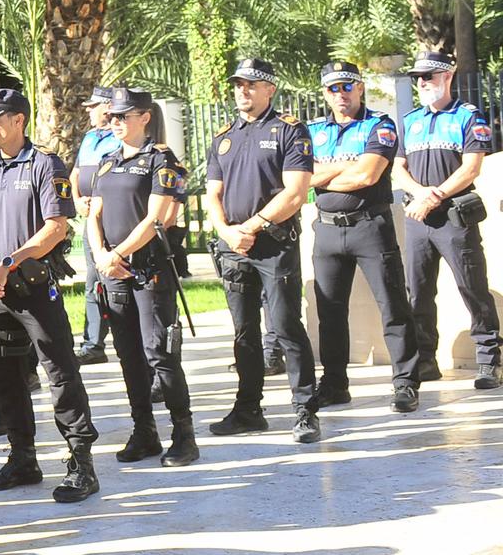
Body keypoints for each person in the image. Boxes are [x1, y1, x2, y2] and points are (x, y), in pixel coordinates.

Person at [0, 86, 100, 501]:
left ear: (18, 120)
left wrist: (11, 261)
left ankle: (81, 462)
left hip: (33, 289)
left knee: (59, 373)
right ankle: (22, 457)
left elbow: (55, 227)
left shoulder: (44, 164)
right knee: (6, 377)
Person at [206, 56, 318, 442]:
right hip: (234, 247)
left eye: (251, 85)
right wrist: (226, 231)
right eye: (238, 85)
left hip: (273, 244)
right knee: (243, 332)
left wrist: (251, 227)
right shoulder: (223, 138)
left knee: (286, 325)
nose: (243, 91)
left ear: (270, 89)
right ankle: (248, 409)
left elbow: (296, 192)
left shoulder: (289, 131)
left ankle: (305, 409)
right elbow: (212, 194)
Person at [86, 88, 199, 467]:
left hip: (147, 269)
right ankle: (144, 431)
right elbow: (93, 214)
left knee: (160, 354)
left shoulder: (161, 160)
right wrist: (102, 254)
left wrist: (119, 254)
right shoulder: (107, 162)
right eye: (112, 117)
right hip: (113, 271)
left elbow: (158, 218)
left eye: (123, 116)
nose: (115, 123)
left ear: (144, 116)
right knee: (129, 355)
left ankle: (183, 434)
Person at [306, 60, 422, 414]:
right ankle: (335, 385)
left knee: (392, 306)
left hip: (369, 226)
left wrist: (325, 174)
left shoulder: (380, 125)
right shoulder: (311, 131)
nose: (340, 94)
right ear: (324, 94)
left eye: (347, 86)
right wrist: (348, 165)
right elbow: (300, 176)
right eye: (332, 88)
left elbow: (368, 176)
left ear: (360, 88)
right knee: (329, 312)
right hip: (326, 228)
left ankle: (405, 383)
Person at [393, 49, 500, 389]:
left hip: (454, 216)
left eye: (429, 76)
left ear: (447, 76)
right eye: (418, 78)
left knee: (472, 287)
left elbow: (471, 167)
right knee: (418, 292)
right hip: (417, 218)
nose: (422, 82)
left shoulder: (468, 116)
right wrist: (421, 196)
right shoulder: (411, 120)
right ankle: (426, 359)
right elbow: (398, 167)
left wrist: (434, 196)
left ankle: (488, 360)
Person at [72, 86, 118, 365]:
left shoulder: (119, 137)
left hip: (112, 216)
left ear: (109, 107)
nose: (89, 110)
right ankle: (93, 343)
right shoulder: (90, 138)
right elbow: (76, 173)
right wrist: (77, 200)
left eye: (94, 106)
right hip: (90, 217)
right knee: (93, 283)